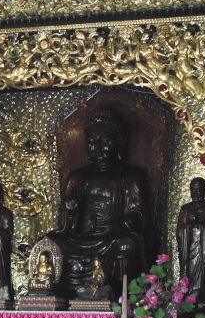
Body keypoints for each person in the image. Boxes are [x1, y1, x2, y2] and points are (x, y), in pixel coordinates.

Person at [45, 110, 146, 296]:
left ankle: (115, 289)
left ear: (119, 142)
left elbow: (137, 214)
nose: (97, 146)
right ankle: (65, 290)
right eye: (92, 141)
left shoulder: (129, 176)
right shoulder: (77, 177)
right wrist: (72, 212)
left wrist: (115, 225)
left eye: (105, 141)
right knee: (50, 243)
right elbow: (64, 220)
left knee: (127, 245)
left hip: (111, 237)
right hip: (80, 237)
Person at [177, 177, 205, 313]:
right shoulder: (185, 209)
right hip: (189, 252)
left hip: (204, 254)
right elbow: (179, 232)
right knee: (188, 278)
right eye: (193, 190)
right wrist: (188, 227)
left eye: (199, 189)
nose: (196, 193)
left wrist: (200, 227)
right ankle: (187, 306)